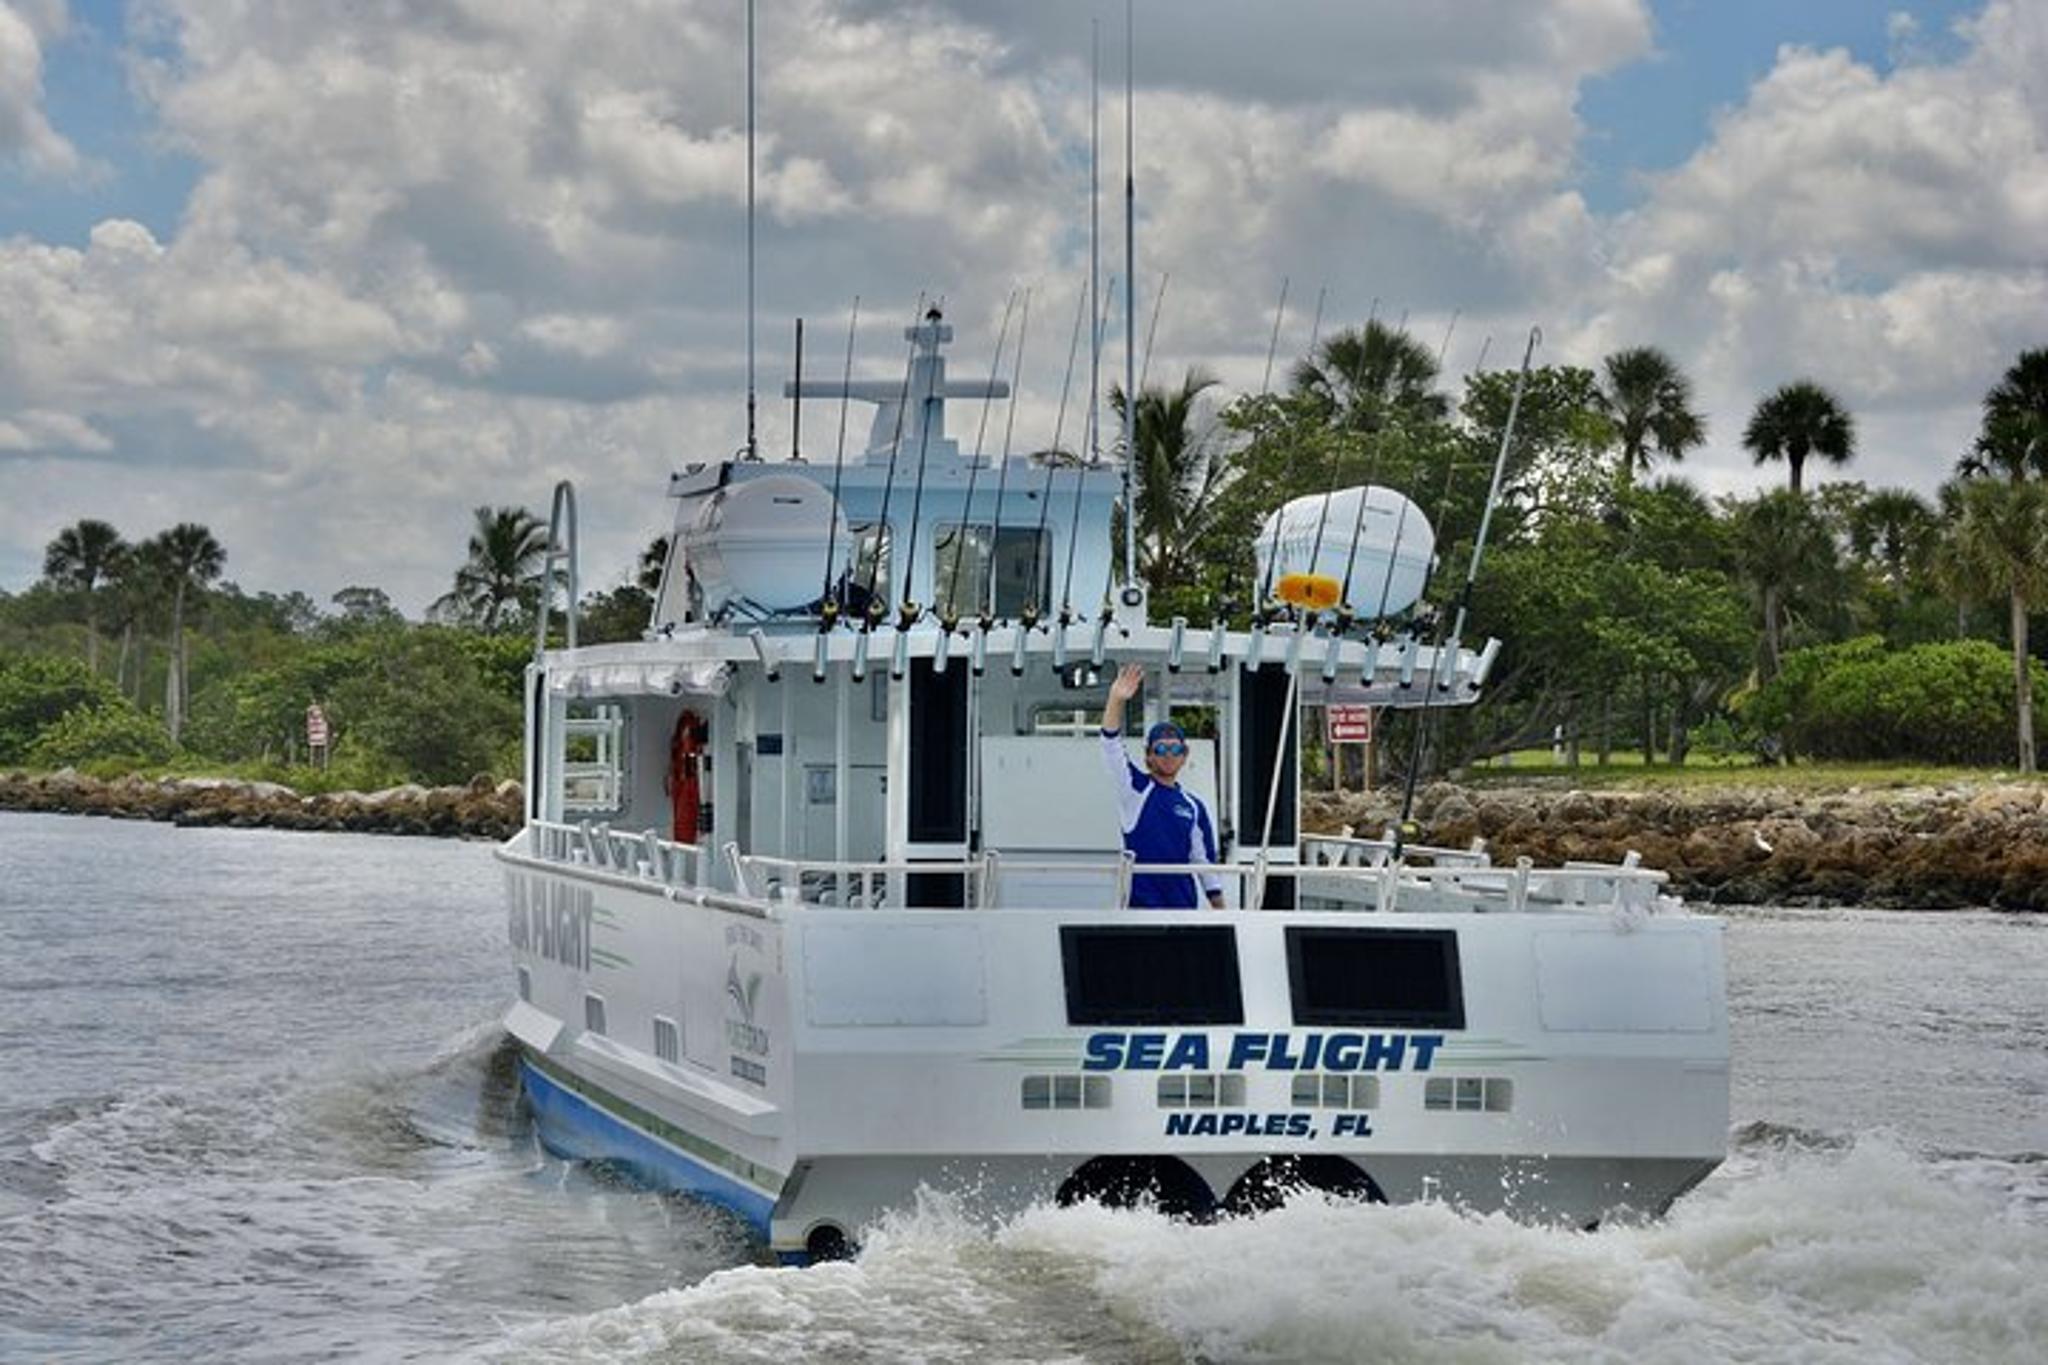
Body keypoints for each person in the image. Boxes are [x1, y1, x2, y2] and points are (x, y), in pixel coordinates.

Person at [1100, 662, 1226, 909]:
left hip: (1182, 912)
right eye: (1161, 749)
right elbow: (1110, 746)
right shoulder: (1134, 790)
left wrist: (1224, 914)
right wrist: (1116, 699)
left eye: (1175, 749)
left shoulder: (1193, 806)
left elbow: (1205, 865)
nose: (1169, 755)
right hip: (1139, 911)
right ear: (1148, 755)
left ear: (1184, 755)